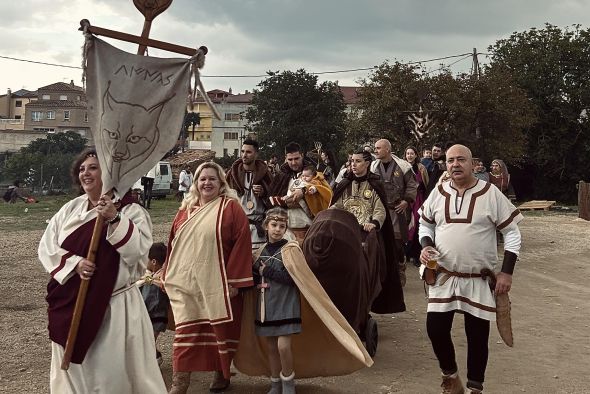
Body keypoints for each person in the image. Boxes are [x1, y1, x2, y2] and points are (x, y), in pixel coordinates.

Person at [38, 148, 166, 393]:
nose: (85, 173)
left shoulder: (132, 211)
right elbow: (47, 246)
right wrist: (74, 263)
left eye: (93, 168)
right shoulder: (70, 209)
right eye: (82, 168)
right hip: (71, 302)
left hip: (113, 308)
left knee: (110, 375)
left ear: (108, 175)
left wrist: (115, 218)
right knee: (71, 374)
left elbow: (139, 256)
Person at [418, 144, 523, 394]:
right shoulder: (439, 191)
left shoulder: (490, 193)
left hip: (478, 278)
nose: (455, 164)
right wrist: (426, 245)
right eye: (450, 160)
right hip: (444, 275)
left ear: (472, 163)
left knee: (477, 336)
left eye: (461, 160)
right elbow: (425, 224)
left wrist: (506, 272)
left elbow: (512, 233)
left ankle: (476, 388)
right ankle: (451, 378)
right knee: (435, 328)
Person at [164, 161, 253, 394]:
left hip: (219, 284)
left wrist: (235, 281)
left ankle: (221, 374)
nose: (207, 183)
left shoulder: (231, 208)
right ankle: (179, 382)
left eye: (212, 178)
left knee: (220, 332)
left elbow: (242, 244)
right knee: (185, 331)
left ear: (221, 182)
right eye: (202, 179)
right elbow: (173, 244)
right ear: (195, 183)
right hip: (187, 283)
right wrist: (166, 273)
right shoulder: (185, 210)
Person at [331, 150, 405, 314]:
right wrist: (330, 212)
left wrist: (373, 223)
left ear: (367, 164)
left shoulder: (375, 184)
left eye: (357, 161)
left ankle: (366, 301)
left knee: (370, 267)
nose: (353, 165)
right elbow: (337, 205)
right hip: (346, 233)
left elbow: (380, 210)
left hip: (367, 234)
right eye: (351, 162)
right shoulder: (344, 183)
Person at [253, 207, 300, 394]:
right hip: (267, 305)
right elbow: (255, 278)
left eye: (282, 225)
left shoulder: (290, 250)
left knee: (283, 346)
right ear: (266, 226)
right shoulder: (259, 251)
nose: (277, 229)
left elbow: (294, 279)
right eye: (273, 225)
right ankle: (275, 383)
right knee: (271, 347)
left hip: (287, 303)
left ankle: (288, 383)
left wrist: (268, 271)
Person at [372, 139, 418, 286]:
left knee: (397, 243)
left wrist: (406, 201)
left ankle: (400, 267)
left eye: (378, 148)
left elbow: (412, 185)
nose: (376, 150)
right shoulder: (373, 166)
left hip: (398, 210)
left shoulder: (403, 166)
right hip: (380, 210)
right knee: (380, 242)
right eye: (375, 148)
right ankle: (384, 273)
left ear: (387, 149)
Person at [226, 139, 273, 251]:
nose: (244, 155)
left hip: (258, 226)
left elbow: (273, 197)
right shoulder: (232, 175)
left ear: (256, 154)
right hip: (238, 225)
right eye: (242, 151)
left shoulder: (265, 174)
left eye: (248, 152)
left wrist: (263, 193)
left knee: (258, 262)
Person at [267, 142, 315, 243]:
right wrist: (284, 203)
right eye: (290, 159)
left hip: (309, 230)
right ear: (285, 158)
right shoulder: (281, 176)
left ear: (302, 155)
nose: (293, 163)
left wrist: (303, 194)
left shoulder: (313, 174)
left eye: (296, 158)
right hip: (285, 231)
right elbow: (270, 200)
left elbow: (323, 197)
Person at [138, 242, 170, 366]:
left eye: (147, 260)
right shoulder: (147, 276)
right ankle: (154, 356)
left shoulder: (162, 277)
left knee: (149, 339)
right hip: (147, 314)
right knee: (147, 339)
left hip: (158, 315)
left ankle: (154, 359)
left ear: (154, 262)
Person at [404, 146, 429, 267]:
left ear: (415, 155)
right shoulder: (401, 167)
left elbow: (426, 184)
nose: (409, 156)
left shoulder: (421, 168)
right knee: (405, 225)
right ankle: (405, 253)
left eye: (411, 153)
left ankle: (416, 254)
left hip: (418, 200)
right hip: (405, 200)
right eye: (407, 153)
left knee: (417, 225)